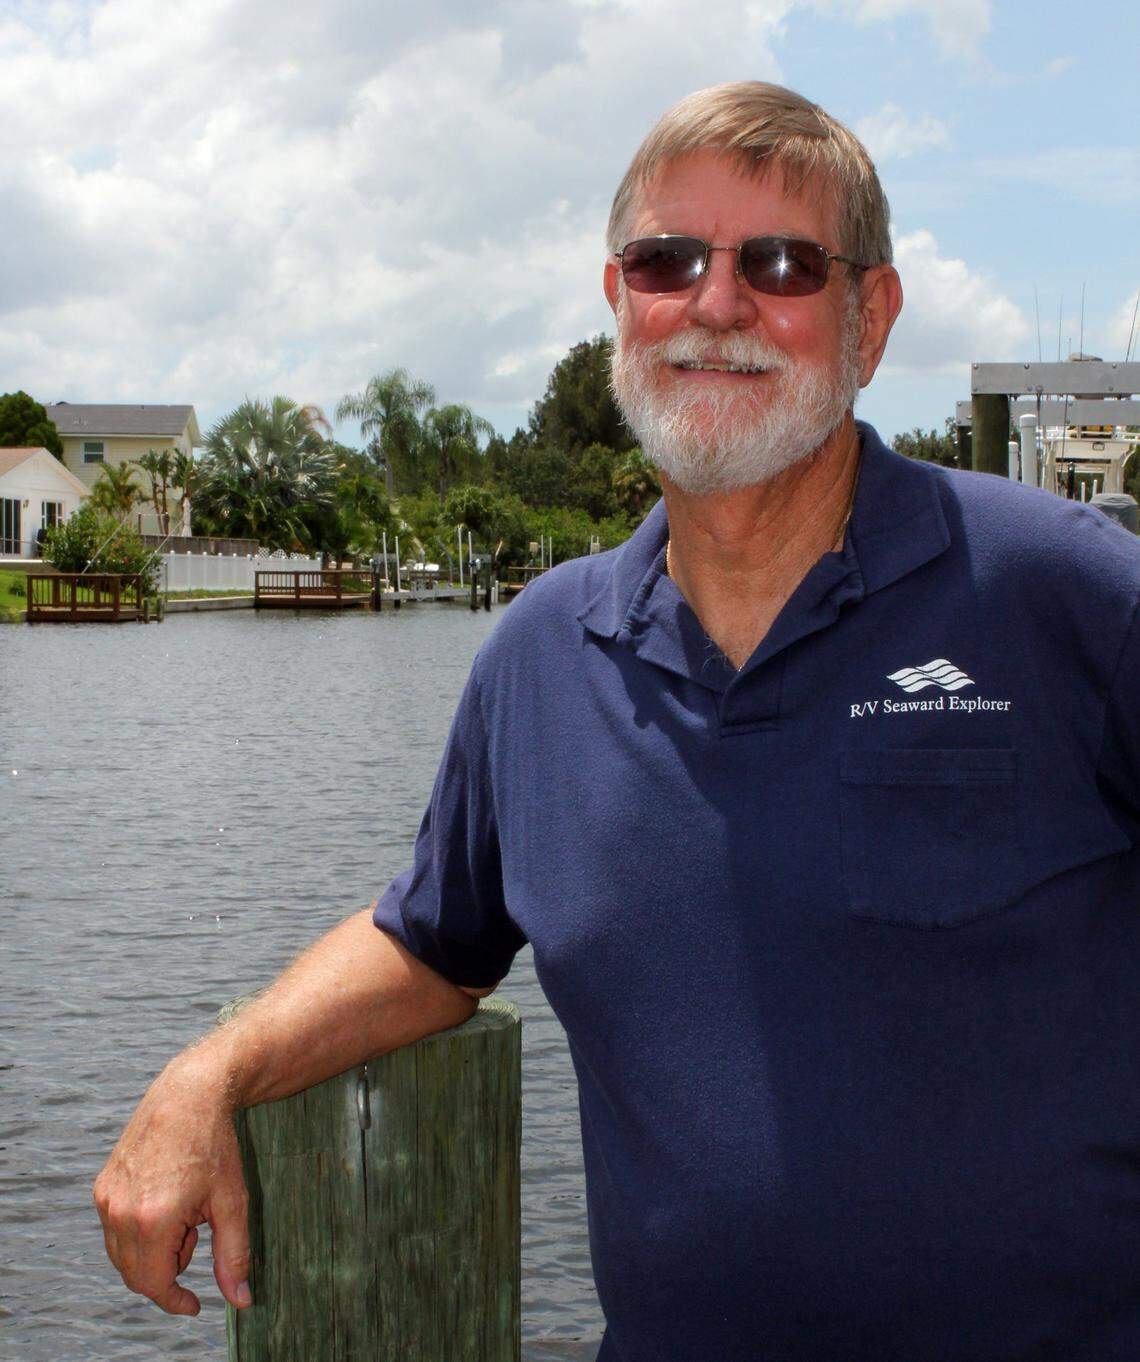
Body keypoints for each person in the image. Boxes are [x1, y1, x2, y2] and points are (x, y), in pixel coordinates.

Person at [95, 82, 1140, 1360]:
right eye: (668, 260)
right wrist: (213, 1072)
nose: (716, 303)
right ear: (617, 300)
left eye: (780, 263)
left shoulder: (1065, 591)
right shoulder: (543, 653)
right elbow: (432, 940)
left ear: (870, 315)